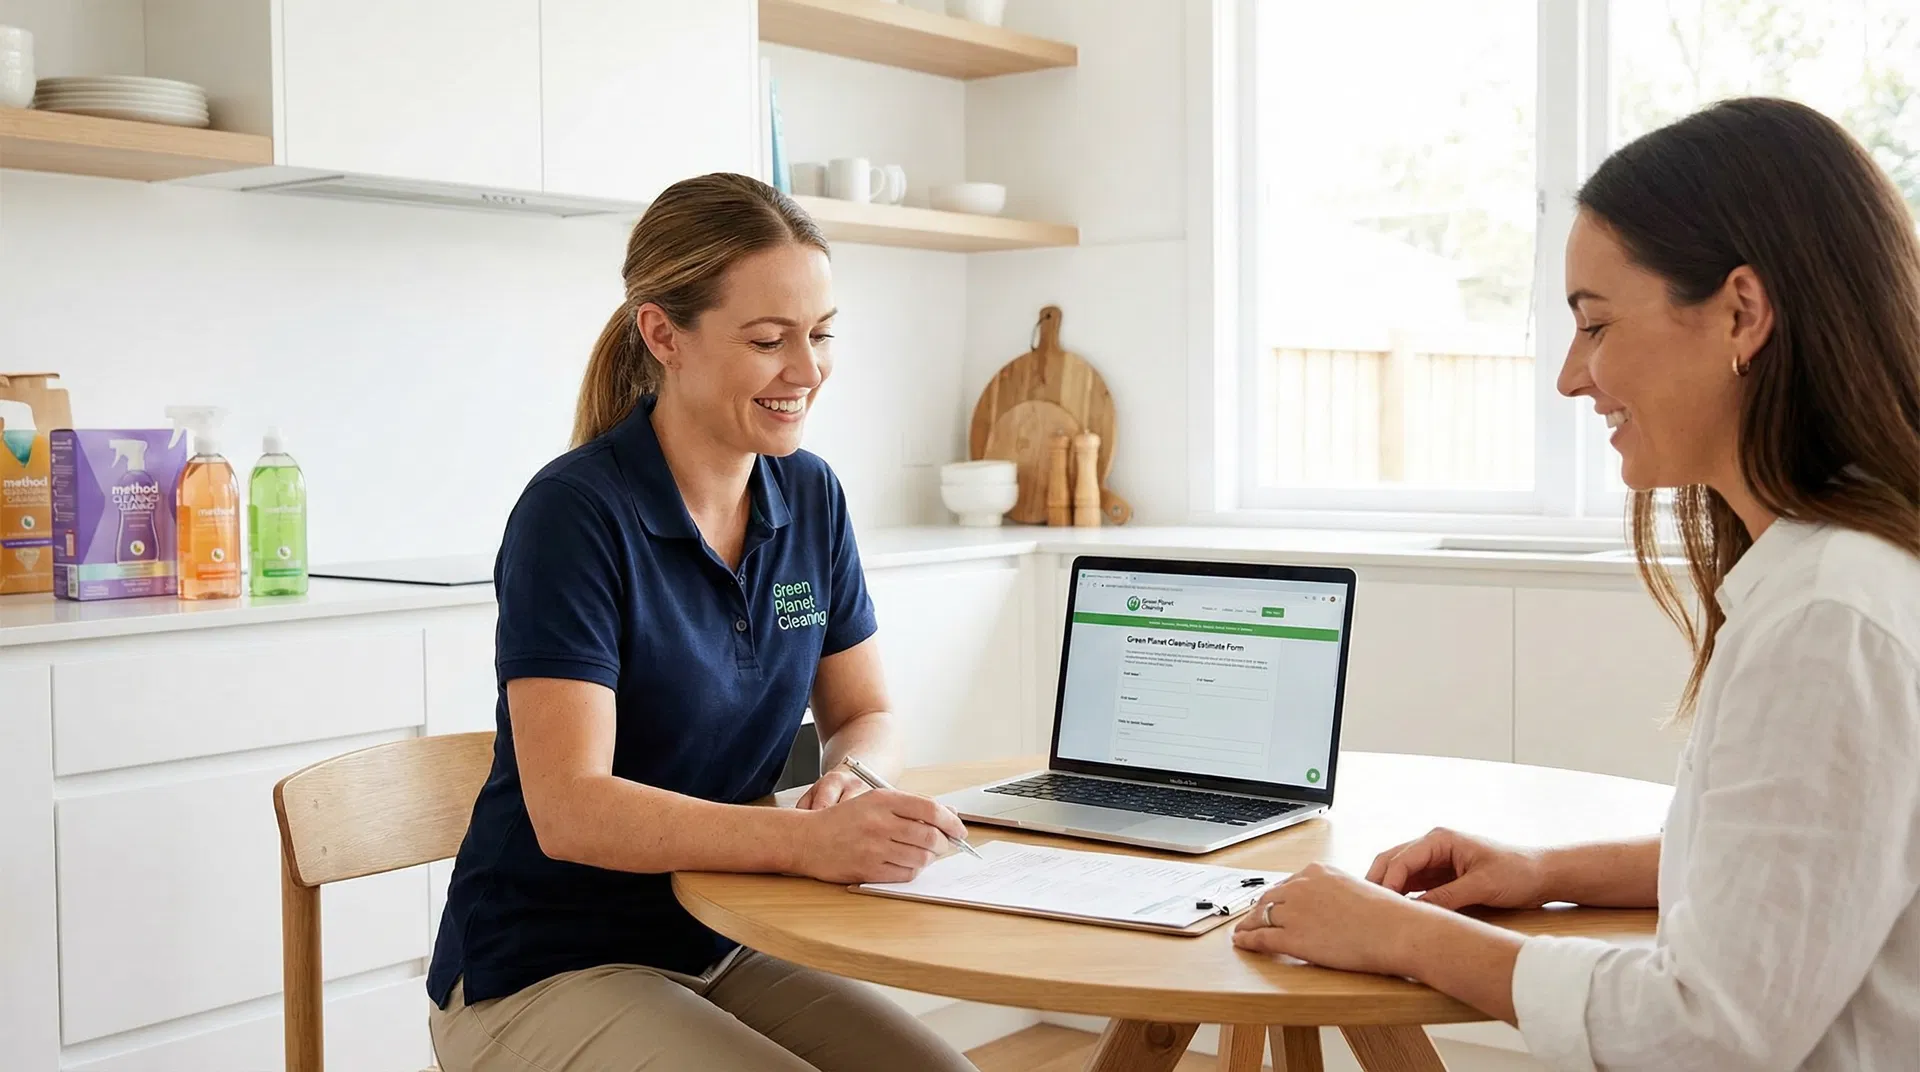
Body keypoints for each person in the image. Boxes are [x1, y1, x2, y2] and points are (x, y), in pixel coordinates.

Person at [1232, 97, 1920, 1070]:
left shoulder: (1830, 617)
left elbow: (1707, 1028)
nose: (1568, 376)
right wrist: (1548, 871)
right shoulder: (1844, 573)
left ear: (1742, 311)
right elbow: (1810, 860)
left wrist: (1400, 932)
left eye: (1595, 324)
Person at [425, 172, 979, 1072]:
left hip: (719, 934)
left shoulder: (810, 494)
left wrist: (853, 781)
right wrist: (804, 842)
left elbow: (867, 713)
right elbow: (570, 811)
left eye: (822, 335)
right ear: (662, 334)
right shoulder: (575, 514)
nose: (806, 371)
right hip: (546, 967)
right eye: (769, 340)